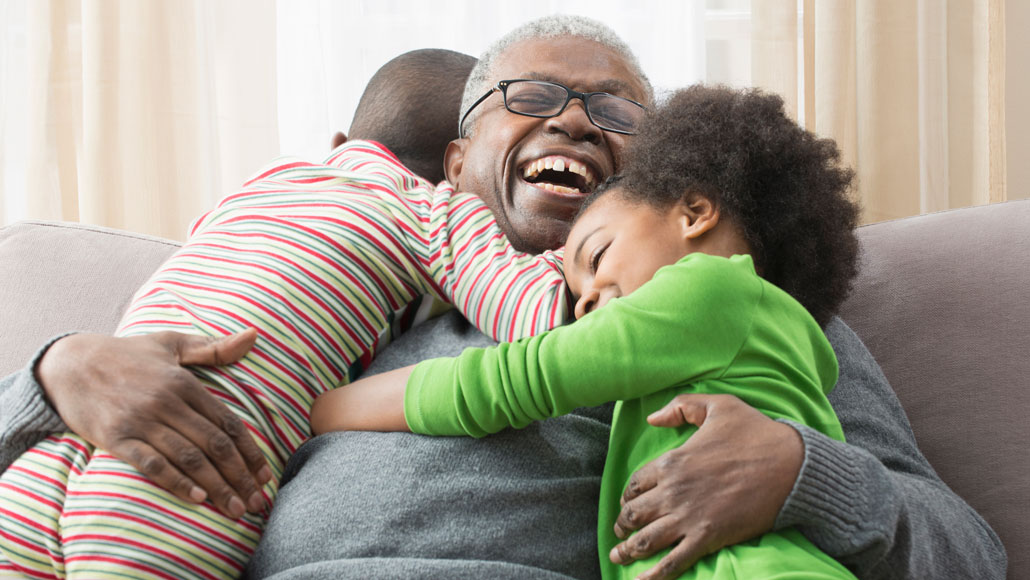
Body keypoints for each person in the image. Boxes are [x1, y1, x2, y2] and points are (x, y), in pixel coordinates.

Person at [0, 15, 1006, 580]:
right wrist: (53, 375)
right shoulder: (331, 286)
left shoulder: (735, 306)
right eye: (526, 99)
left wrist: (800, 471)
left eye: (613, 112)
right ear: (452, 158)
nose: (570, 119)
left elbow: (970, 551)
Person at [0, 47, 574, 578]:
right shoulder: (433, 211)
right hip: (189, 469)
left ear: (338, 143)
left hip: (54, 449)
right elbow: (539, 317)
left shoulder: (259, 185)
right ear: (457, 163)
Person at [310, 85, 863, 580]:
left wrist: (316, 411)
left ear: (693, 211)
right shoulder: (760, 340)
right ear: (454, 163)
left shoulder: (710, 292)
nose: (586, 306)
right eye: (579, 296)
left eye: (597, 256)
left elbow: (509, 382)